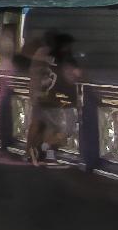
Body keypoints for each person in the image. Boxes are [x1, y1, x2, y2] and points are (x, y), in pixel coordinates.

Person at [24, 31, 79, 165]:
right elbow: (68, 76)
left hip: (41, 94)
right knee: (53, 127)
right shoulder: (52, 55)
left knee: (40, 124)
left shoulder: (44, 54)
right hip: (48, 96)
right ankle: (42, 151)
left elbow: (36, 72)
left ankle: (34, 153)